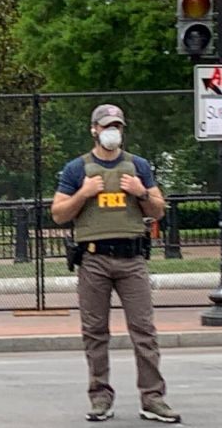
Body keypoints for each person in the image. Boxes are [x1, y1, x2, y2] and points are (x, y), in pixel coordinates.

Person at [51, 104, 180, 424]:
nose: (113, 131)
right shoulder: (76, 169)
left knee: (144, 330)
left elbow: (159, 209)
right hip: (93, 258)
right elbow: (58, 213)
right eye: (107, 125)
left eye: (118, 126)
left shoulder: (137, 166)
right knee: (94, 331)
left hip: (132, 258)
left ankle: (152, 398)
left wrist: (140, 193)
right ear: (94, 129)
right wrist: (83, 194)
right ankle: (100, 397)